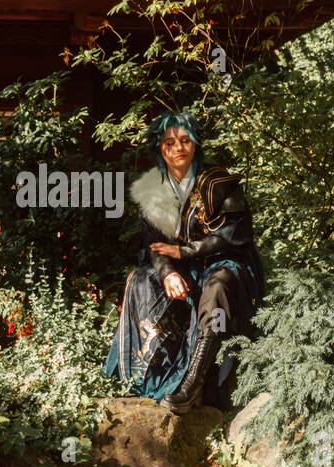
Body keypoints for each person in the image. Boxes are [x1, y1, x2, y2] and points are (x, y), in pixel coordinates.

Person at [103, 112, 263, 414]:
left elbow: (232, 235)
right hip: (181, 267)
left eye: (185, 140)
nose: (178, 148)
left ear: (196, 144)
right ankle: (154, 373)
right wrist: (166, 274)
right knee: (141, 280)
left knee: (218, 286)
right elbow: (155, 246)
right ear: (160, 148)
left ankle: (194, 384)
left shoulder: (219, 182)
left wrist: (185, 253)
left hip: (224, 261)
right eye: (169, 143)